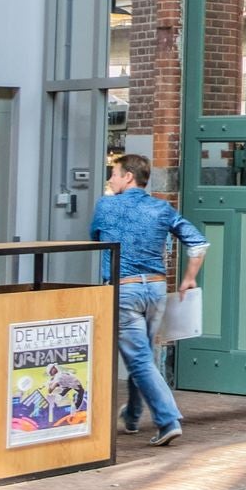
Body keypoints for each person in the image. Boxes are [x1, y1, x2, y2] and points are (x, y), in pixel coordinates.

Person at [89, 154, 206, 446]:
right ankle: (132, 415)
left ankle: (168, 420)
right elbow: (198, 243)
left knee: (139, 357)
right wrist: (189, 278)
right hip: (155, 289)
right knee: (144, 356)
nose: (110, 179)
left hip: (124, 289)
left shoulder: (107, 205)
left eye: (114, 174)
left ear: (129, 177)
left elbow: (95, 237)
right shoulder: (162, 208)